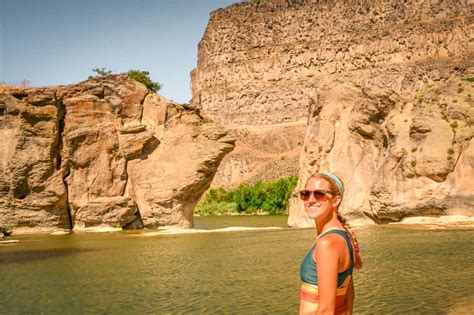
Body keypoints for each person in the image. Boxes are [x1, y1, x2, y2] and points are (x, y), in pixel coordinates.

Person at [299, 172, 363, 315]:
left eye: (319, 194)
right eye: (305, 194)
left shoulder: (327, 243)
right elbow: (349, 298)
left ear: (335, 200)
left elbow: (326, 310)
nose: (310, 199)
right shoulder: (343, 237)